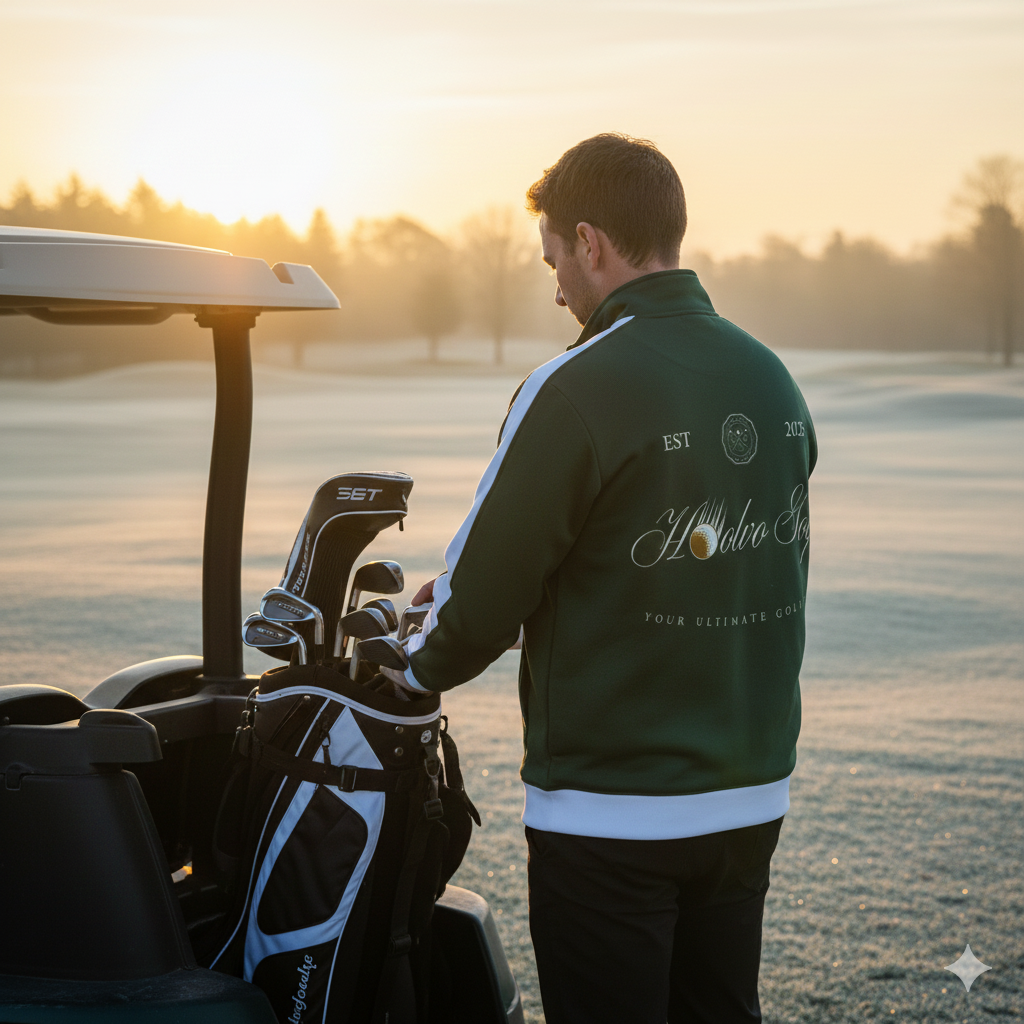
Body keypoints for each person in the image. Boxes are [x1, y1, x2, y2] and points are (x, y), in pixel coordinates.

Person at [381, 133, 816, 1024]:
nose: (555, 288)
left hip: (613, 811)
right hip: (750, 796)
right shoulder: (772, 381)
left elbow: (481, 606)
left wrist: (412, 661)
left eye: (553, 260)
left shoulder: (573, 386)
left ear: (590, 242)